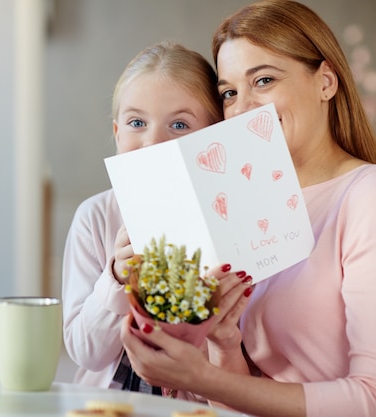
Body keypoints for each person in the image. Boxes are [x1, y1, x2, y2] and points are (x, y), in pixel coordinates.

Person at [120, 1, 376, 416]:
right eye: (229, 93)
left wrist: (202, 378)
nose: (242, 109)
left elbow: (369, 399)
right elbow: (239, 397)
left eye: (264, 80)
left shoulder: (365, 198)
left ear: (326, 81)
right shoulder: (240, 205)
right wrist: (222, 342)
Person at [61, 40, 223, 394]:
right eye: (137, 122)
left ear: (212, 137)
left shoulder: (226, 218)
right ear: (118, 134)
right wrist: (117, 278)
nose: (153, 142)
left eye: (179, 125)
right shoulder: (95, 217)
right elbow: (85, 352)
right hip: (112, 399)